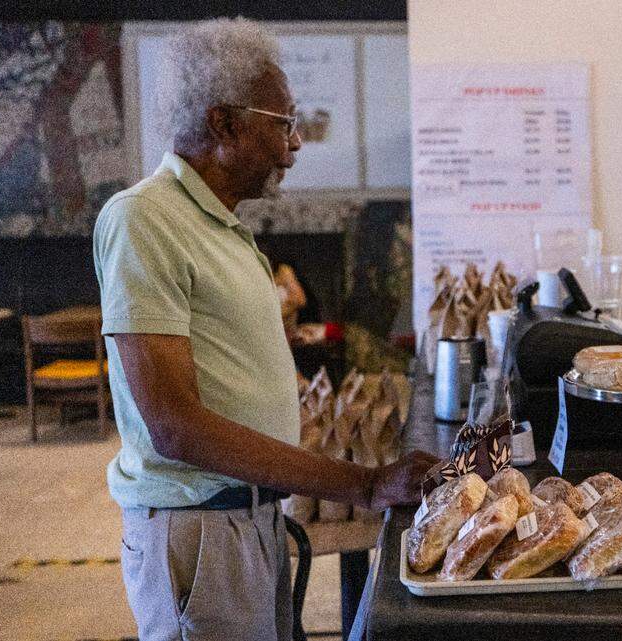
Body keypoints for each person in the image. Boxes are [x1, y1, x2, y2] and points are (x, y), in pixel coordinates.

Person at [92, 19, 437, 640]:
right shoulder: (144, 219)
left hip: (253, 518)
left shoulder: (224, 227)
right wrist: (363, 483)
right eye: (284, 123)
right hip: (200, 532)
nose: (296, 142)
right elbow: (174, 425)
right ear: (225, 123)